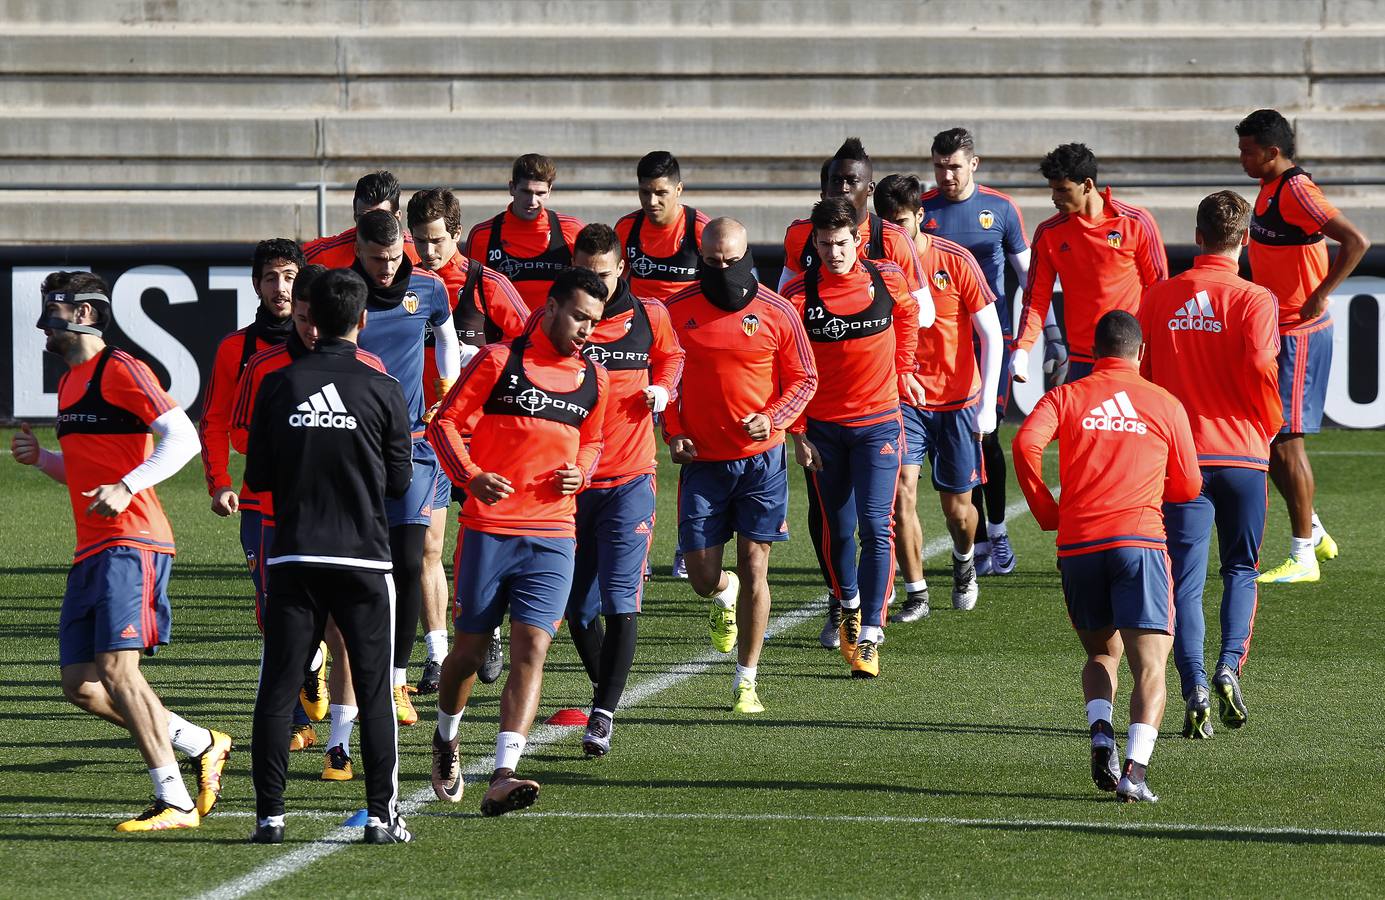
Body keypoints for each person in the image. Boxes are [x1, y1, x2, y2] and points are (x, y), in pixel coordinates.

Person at [11, 272, 232, 832]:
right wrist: (41, 460)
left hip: (132, 542)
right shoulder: (68, 383)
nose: (43, 323)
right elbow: (88, 474)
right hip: (92, 549)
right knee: (81, 685)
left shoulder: (122, 369)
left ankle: (175, 801)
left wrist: (129, 485)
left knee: (115, 669)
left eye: (52, 309)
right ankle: (200, 741)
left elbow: (184, 438)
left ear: (84, 314)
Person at [426, 267, 609, 815]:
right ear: (550, 307)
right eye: (579, 316)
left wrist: (581, 470)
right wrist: (470, 475)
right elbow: (443, 424)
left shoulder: (593, 376)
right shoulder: (498, 361)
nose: (586, 330)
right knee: (469, 652)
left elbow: (594, 440)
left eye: (594, 322)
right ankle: (446, 736)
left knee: (533, 648)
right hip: (489, 529)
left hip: (554, 532)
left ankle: (504, 771)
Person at [244, 268, 414, 845]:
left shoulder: (279, 385)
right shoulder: (384, 389)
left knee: (277, 688)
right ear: (363, 321)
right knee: (373, 692)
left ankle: (269, 817)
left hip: (293, 557)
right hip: (364, 561)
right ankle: (382, 817)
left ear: (311, 319)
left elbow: (259, 475)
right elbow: (398, 484)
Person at [1014, 311, 1201, 803]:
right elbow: (1189, 485)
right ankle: (1135, 773)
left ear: (1094, 352)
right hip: (1138, 542)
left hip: (1078, 546)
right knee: (1152, 663)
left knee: (1101, 653)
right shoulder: (1163, 402)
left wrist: (1048, 511)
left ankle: (1102, 734)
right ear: (1141, 353)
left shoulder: (1066, 396)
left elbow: (1024, 443)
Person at [1140, 191, 1283, 737]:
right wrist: (1266, 423)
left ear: (1196, 237)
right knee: (1241, 570)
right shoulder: (1256, 299)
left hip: (1182, 460)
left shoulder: (1159, 296)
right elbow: (1258, 365)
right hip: (1244, 451)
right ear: (1244, 240)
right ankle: (1228, 667)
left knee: (1185, 581)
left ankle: (1194, 683)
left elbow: (1144, 375)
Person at [665, 218, 817, 713]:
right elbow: (662, 378)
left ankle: (746, 679)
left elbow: (805, 380)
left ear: (749, 255)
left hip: (761, 462)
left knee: (756, 565)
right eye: (713, 263)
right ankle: (722, 595)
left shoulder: (778, 312)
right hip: (704, 463)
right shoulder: (676, 311)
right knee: (703, 576)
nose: (724, 270)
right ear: (700, 259)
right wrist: (673, 431)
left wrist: (772, 418)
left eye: (732, 261)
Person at [197, 240, 327, 750]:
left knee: (328, 604)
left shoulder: (329, 343)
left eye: (290, 276)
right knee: (272, 605)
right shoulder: (237, 349)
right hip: (260, 503)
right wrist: (220, 483)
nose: (281, 287)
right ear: (256, 284)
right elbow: (214, 421)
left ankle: (313, 663)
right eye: (271, 277)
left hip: (322, 501)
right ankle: (295, 712)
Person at [781, 198, 918, 677]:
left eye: (841, 242)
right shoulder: (799, 296)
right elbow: (790, 367)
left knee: (877, 526)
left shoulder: (888, 277)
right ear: (813, 243)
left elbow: (908, 317)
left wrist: (904, 369)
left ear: (858, 238)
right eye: (824, 243)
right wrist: (797, 432)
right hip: (824, 431)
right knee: (836, 529)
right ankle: (850, 605)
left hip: (880, 423)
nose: (834, 252)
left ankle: (872, 632)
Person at [1235, 108, 1371, 583]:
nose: (1241, 159)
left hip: (1299, 334)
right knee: (1271, 440)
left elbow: (1356, 241)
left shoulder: (1295, 189)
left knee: (1287, 442)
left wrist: (1319, 295)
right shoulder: (1270, 187)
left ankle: (1302, 557)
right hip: (1278, 330)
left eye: (1248, 151)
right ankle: (1312, 532)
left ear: (1273, 152)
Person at [564, 223, 685, 754]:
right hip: (569, 482)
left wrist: (663, 388)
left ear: (622, 270)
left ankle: (603, 714)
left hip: (630, 478)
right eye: (586, 275)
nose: (596, 285)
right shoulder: (557, 325)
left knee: (621, 600)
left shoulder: (649, 315)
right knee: (577, 606)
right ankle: (603, 690)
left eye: (604, 275)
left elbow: (673, 355)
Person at [407, 187, 531, 694]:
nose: (429, 251)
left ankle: (491, 627)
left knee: (486, 546)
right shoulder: (404, 285)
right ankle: (438, 652)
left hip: (483, 439)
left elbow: (528, 345)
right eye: (420, 241)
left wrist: (480, 357)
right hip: (426, 436)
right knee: (426, 547)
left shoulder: (486, 284)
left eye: (436, 240)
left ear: (457, 234)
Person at [875, 175, 1004, 620]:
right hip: (904, 398)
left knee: (959, 510)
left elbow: (990, 333)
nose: (895, 231)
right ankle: (917, 592)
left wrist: (987, 404)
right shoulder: (874, 266)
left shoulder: (956, 260)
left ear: (920, 218)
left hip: (956, 401)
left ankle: (965, 559)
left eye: (903, 221)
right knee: (901, 495)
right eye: (887, 223)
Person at [350, 209, 460, 726]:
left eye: (395, 257)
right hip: (355, 444)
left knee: (412, 553)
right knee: (355, 566)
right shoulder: (344, 291)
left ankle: (398, 681)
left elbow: (447, 338)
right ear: (361, 252)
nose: (388, 268)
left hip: (414, 442)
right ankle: (333, 677)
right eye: (378, 259)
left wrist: (448, 394)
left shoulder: (430, 288)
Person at [919, 128, 1031, 576]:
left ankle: (998, 533)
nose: (947, 175)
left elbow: (1030, 278)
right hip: (940, 345)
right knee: (947, 443)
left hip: (990, 340)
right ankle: (978, 536)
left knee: (986, 436)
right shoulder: (922, 211)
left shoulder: (1000, 209)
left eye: (955, 166)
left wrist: (1042, 335)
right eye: (939, 166)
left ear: (974, 164)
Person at [1013, 143, 1167, 384]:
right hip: (1083, 358)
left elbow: (1159, 289)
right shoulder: (1048, 233)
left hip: (1131, 357)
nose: (1055, 198)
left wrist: (1155, 346)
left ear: (1087, 185)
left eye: (1062, 190)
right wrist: (1022, 349)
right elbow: (1036, 300)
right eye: (1052, 190)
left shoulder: (1135, 222)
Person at [778, 138, 930, 314]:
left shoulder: (892, 238)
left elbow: (925, 313)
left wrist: (873, 327)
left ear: (870, 188)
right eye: (836, 180)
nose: (843, 188)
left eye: (852, 181)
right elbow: (784, 305)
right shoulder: (799, 234)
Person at [466, 153, 584, 312]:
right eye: (526, 191)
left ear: (549, 191)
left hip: (556, 334)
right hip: (505, 335)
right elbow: (471, 295)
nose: (532, 201)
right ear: (512, 188)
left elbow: (589, 289)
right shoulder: (482, 235)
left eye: (540, 193)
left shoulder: (573, 229)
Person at [615, 150, 709, 301]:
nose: (652, 202)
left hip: (686, 322)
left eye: (661, 193)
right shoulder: (626, 227)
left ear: (678, 189)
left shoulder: (701, 230)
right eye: (645, 192)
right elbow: (611, 281)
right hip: (642, 321)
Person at [302, 170, 421, 268]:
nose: (373, 227)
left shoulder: (419, 252)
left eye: (381, 217)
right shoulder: (323, 256)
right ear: (355, 217)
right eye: (365, 218)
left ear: (398, 217)